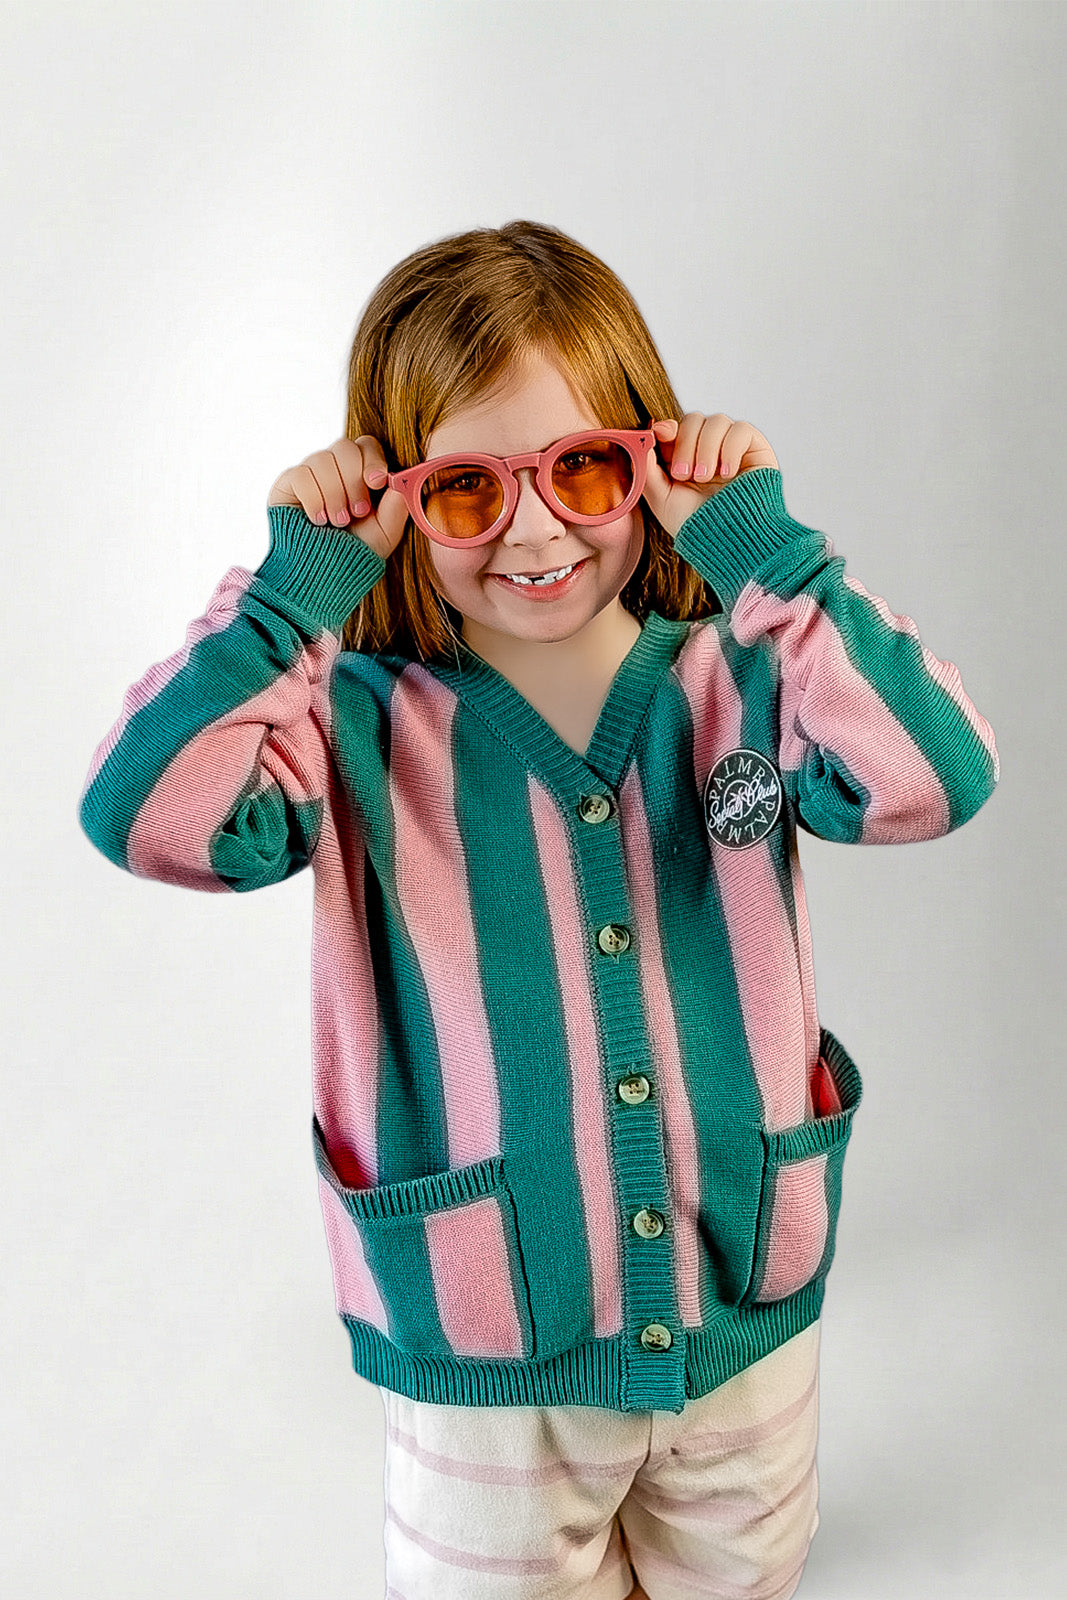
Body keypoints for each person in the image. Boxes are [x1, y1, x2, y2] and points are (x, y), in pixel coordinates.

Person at [78, 220, 1000, 1600]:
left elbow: (939, 776)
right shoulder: (345, 721)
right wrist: (287, 603)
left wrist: (773, 559)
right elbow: (147, 818)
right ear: (396, 505)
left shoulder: (740, 680)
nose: (532, 526)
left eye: (583, 468)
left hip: (738, 1314)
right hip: (488, 1348)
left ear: (651, 463)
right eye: (464, 491)